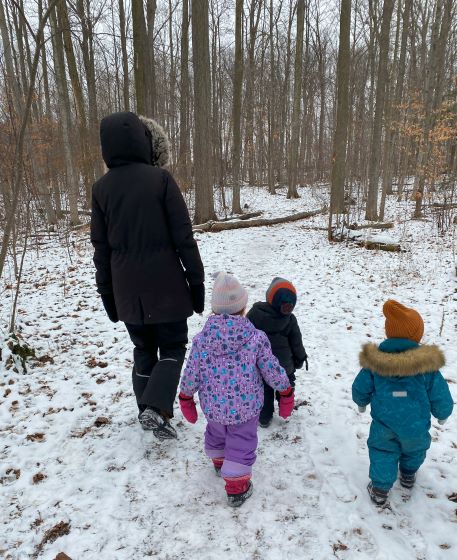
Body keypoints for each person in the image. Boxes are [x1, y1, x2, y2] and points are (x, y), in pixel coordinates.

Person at [91, 111, 204, 441]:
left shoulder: (101, 189)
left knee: (143, 348)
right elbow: (184, 237)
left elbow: (101, 250)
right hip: (167, 287)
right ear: (145, 142)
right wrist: (195, 283)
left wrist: (108, 296)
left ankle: (147, 412)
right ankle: (155, 408)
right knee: (171, 347)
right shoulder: (161, 180)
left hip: (128, 292)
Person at [178, 272, 294, 507]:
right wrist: (285, 391)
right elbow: (271, 369)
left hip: (214, 406)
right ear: (242, 307)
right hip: (245, 408)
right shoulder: (256, 338)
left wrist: (186, 396)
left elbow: (192, 372)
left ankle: (220, 462)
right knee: (241, 442)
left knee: (217, 433)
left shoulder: (202, 340)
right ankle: (237, 485)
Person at [352, 300, 453, 507]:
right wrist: (443, 412)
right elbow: (439, 393)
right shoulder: (427, 366)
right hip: (415, 426)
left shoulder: (375, 363)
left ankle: (380, 489)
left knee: (383, 452)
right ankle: (408, 474)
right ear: (416, 336)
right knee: (415, 450)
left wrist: (361, 402)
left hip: (384, 425)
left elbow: (361, 386)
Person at [247, 278, 307, 427]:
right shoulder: (290, 319)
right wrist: (300, 359)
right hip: (285, 366)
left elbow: (246, 337)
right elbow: (296, 343)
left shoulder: (255, 314)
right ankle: (285, 408)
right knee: (285, 386)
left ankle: (264, 417)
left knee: (264, 391)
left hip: (261, 366)